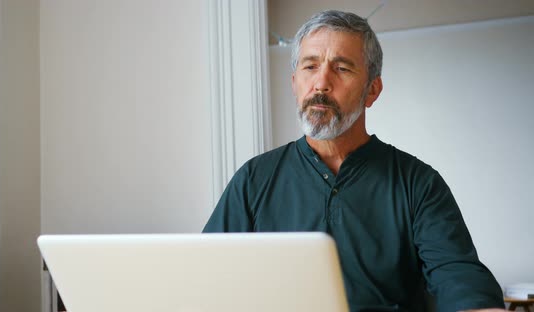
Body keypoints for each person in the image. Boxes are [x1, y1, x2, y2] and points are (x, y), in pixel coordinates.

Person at [202, 10, 506, 312]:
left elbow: (459, 277)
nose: (321, 83)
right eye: (310, 66)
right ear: (294, 83)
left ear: (371, 90)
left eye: (342, 68)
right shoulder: (254, 179)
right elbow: (205, 277)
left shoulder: (418, 183)